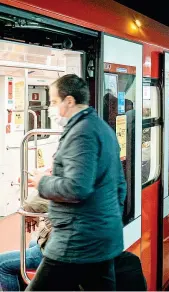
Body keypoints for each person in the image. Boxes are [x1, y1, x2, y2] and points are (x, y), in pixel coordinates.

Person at [26, 74, 126, 291]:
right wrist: (105, 221)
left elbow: (77, 188)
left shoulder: (81, 133)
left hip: (76, 239)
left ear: (69, 101)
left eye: (53, 102)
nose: (51, 108)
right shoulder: (101, 128)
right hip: (101, 237)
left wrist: (43, 182)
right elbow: (120, 185)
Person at [0, 194, 50, 291]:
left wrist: (30, 210)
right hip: (64, 241)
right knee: (32, 243)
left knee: (2, 263)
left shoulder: (67, 185)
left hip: (57, 248)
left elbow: (32, 203)